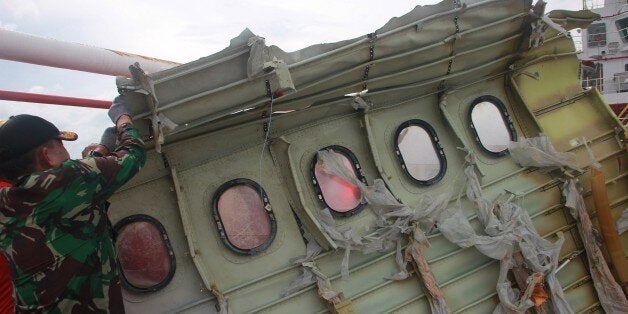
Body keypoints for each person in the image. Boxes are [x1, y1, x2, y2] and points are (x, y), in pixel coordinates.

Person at [0, 96, 146, 313]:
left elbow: (65, 185)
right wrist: (122, 117)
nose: (68, 155)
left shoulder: (6, 201)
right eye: (60, 144)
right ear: (46, 154)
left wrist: (98, 154)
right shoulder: (70, 180)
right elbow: (134, 154)